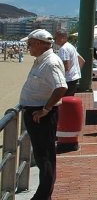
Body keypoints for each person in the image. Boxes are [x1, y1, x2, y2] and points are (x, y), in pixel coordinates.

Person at [19, 29, 67, 200]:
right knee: (42, 156)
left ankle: (42, 196)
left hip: (42, 115)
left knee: (44, 156)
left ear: (39, 44)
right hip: (37, 113)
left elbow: (61, 87)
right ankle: (44, 194)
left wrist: (46, 109)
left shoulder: (50, 62)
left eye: (30, 43)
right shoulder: (42, 60)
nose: (28, 47)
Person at [54, 30, 85, 96]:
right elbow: (82, 61)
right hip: (74, 78)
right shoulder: (71, 46)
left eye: (56, 38)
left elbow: (66, 66)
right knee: (69, 100)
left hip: (67, 80)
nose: (55, 39)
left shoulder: (63, 49)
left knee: (63, 100)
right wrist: (76, 72)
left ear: (62, 38)